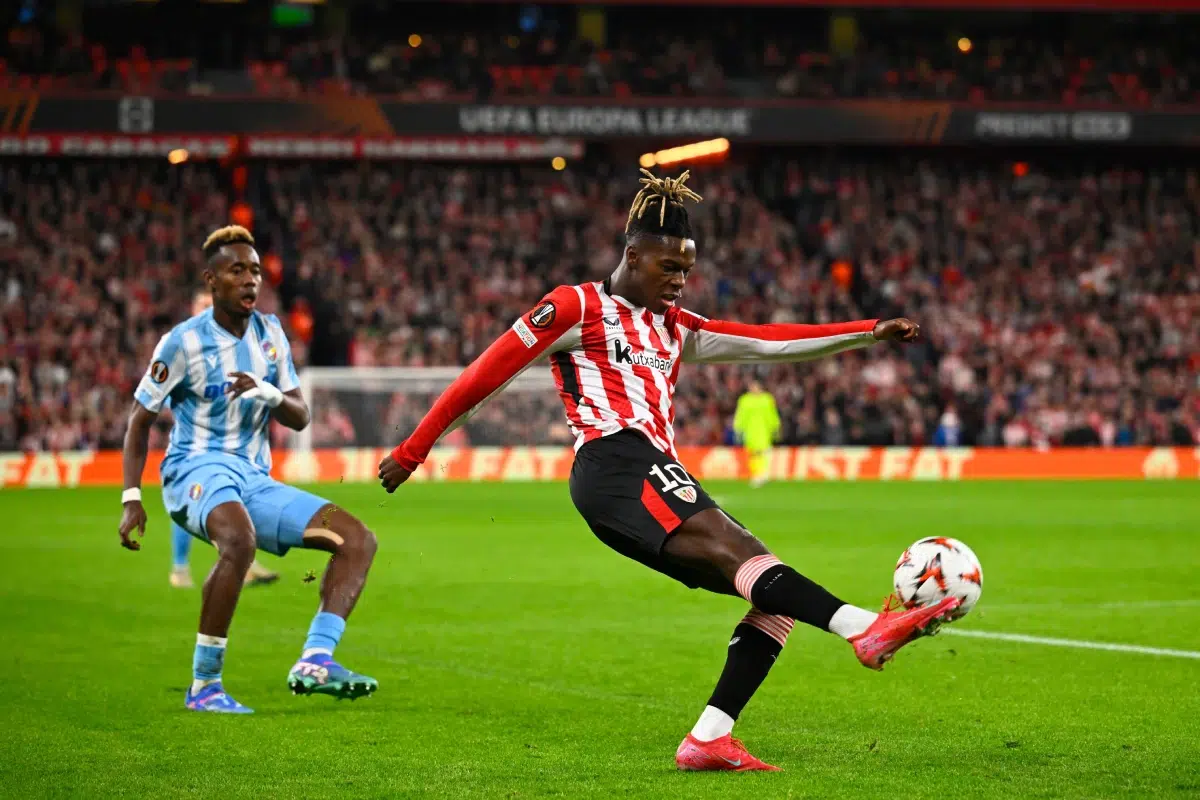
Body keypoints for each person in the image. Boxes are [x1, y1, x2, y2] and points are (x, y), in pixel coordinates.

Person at [378, 170, 959, 771]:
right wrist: (415, 448)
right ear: (633, 255)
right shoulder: (575, 306)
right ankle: (865, 628)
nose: (680, 282)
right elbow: (485, 373)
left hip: (654, 469)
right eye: (669, 268)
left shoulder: (677, 328)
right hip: (615, 462)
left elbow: (768, 341)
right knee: (753, 564)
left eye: (687, 270)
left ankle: (710, 737)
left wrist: (867, 332)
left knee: (771, 590)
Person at [119, 225, 379, 714]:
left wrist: (270, 393)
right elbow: (140, 420)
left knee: (357, 539)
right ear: (211, 280)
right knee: (239, 540)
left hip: (253, 477)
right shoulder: (182, 343)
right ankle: (204, 685)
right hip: (193, 467)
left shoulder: (271, 334)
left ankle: (316, 660)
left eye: (255, 270)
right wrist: (131, 497)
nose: (249, 279)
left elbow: (300, 414)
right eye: (236, 270)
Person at [169, 289, 280, 590]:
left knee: (238, 499)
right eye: (203, 305)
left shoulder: (231, 346)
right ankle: (180, 568)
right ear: (193, 309)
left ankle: (245, 563)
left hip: (233, 442)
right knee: (193, 500)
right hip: (196, 444)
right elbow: (168, 397)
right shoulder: (181, 347)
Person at [733, 378, 780, 488]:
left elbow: (772, 413)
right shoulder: (744, 400)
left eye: (756, 386)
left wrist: (775, 426)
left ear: (760, 387)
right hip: (750, 430)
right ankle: (756, 474)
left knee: (763, 451)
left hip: (764, 430)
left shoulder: (767, 399)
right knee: (753, 453)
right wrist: (738, 428)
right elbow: (740, 414)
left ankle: (762, 474)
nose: (754, 388)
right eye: (752, 386)